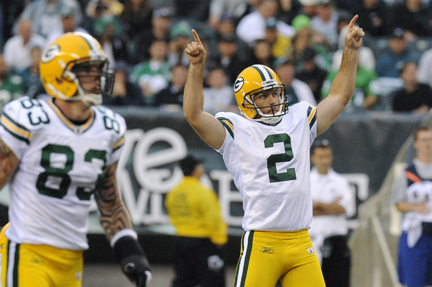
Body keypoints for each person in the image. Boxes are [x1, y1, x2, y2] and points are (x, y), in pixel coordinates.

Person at [183, 14, 364, 287]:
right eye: (263, 96)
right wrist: (196, 67)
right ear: (246, 102)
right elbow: (194, 114)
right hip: (262, 240)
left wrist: (350, 51)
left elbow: (339, 96)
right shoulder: (235, 129)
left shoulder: (299, 117)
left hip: (301, 239)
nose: (272, 100)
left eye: (275, 93)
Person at [0, 32, 151, 287]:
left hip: (73, 257)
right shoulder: (29, 119)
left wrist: (129, 249)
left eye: (99, 68)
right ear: (60, 74)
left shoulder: (109, 127)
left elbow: (109, 198)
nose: (98, 76)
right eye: (87, 69)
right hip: (28, 250)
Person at [165, 155, 228, 287]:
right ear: (196, 169)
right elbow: (214, 219)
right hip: (203, 244)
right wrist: (219, 239)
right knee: (213, 281)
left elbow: (172, 214)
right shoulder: (203, 193)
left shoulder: (174, 192)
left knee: (184, 281)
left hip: (180, 242)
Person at [309, 139, 354, 287]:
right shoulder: (305, 181)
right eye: (321, 157)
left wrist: (318, 204)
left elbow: (345, 209)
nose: (325, 161)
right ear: (312, 158)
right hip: (311, 241)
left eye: (327, 156)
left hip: (335, 242)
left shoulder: (340, 181)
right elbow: (303, 212)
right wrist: (332, 207)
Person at [391, 126, 432, 287]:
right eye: (424, 140)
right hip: (416, 236)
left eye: (430, 140)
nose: (428, 144)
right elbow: (398, 204)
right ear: (415, 144)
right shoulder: (407, 173)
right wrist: (415, 208)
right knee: (414, 281)